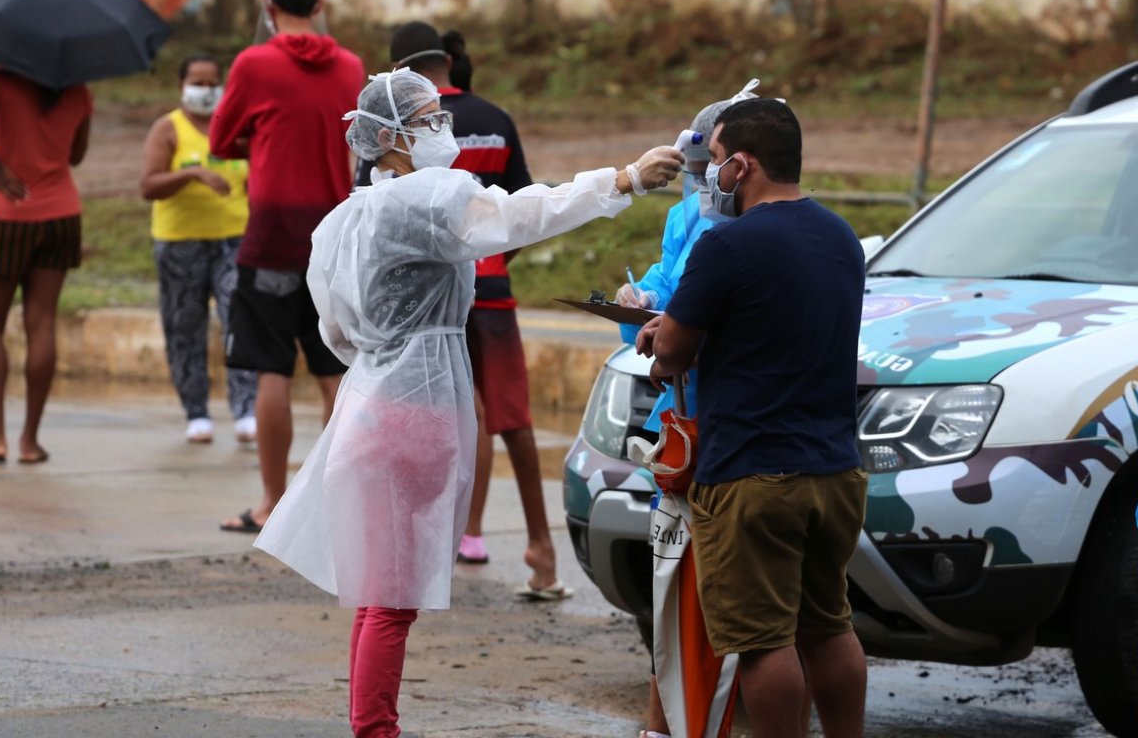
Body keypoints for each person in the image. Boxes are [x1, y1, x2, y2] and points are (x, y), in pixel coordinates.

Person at [254, 67, 682, 737]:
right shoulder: (425, 199)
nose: (442, 128)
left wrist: (385, 356)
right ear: (391, 137)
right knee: (393, 599)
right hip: (416, 405)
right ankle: (375, 729)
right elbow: (520, 214)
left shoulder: (350, 216)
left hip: (371, 399)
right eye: (429, 119)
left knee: (379, 594)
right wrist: (622, 179)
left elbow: (334, 329)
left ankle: (372, 724)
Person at [636, 98, 867, 738]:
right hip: (837, 468)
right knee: (829, 626)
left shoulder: (729, 246)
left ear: (742, 166)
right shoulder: (840, 236)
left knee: (765, 642)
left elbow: (677, 351)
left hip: (753, 474)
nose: (709, 175)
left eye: (713, 162)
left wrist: (661, 340)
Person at [368, 21, 565, 597]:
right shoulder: (496, 120)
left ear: (399, 71)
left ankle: (432, 545)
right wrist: (493, 258)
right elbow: (525, 207)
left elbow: (373, 214)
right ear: (447, 61)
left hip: (425, 301)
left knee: (433, 418)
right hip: (493, 286)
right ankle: (541, 551)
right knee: (513, 416)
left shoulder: (393, 129)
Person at [617, 80, 761, 738]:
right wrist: (638, 303)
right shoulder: (687, 218)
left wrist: (663, 327)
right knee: (672, 594)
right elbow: (664, 288)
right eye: (693, 176)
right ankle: (663, 724)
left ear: (741, 166)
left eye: (709, 175)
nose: (700, 190)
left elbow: (688, 331)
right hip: (681, 429)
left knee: (735, 611)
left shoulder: (753, 234)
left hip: (731, 439)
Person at [209, 0, 365, 533]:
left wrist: (266, 131)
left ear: (268, 8)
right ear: (318, 6)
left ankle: (272, 503)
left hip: (272, 235)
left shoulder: (254, 63)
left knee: (271, 368)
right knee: (333, 370)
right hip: (332, 237)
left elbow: (222, 138)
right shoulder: (350, 65)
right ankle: (328, 499)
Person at [0, 67, 92, 464]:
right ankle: (30, 442)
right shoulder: (77, 88)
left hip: (5, 213)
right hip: (61, 214)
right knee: (42, 321)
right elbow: (76, 155)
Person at [140, 53, 257, 445]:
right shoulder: (168, 129)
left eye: (212, 83)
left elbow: (256, 177)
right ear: (181, 86)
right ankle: (197, 412)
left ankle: (245, 409)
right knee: (184, 328)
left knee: (238, 321)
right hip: (180, 244)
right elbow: (148, 185)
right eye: (197, 82)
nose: (205, 91)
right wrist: (192, 174)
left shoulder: (236, 127)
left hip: (233, 240)